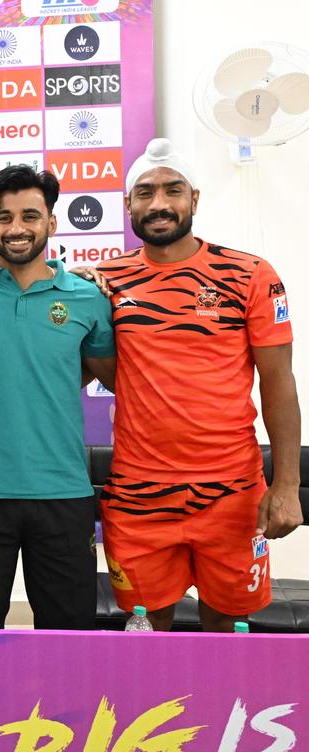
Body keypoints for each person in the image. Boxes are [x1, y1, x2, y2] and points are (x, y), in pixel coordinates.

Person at [95, 137, 301, 632]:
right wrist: (69, 291)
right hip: (138, 495)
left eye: (173, 190)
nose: (159, 203)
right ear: (128, 205)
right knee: (146, 633)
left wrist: (287, 485)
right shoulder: (106, 281)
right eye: (144, 193)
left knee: (227, 632)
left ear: (195, 200)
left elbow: (278, 382)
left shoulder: (250, 274)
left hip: (231, 493)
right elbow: (86, 366)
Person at [0, 165, 115, 630]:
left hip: (63, 493)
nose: (16, 228)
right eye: (3, 216)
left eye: (30, 216)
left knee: (69, 641)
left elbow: (108, 373)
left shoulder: (88, 297)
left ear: (51, 223)